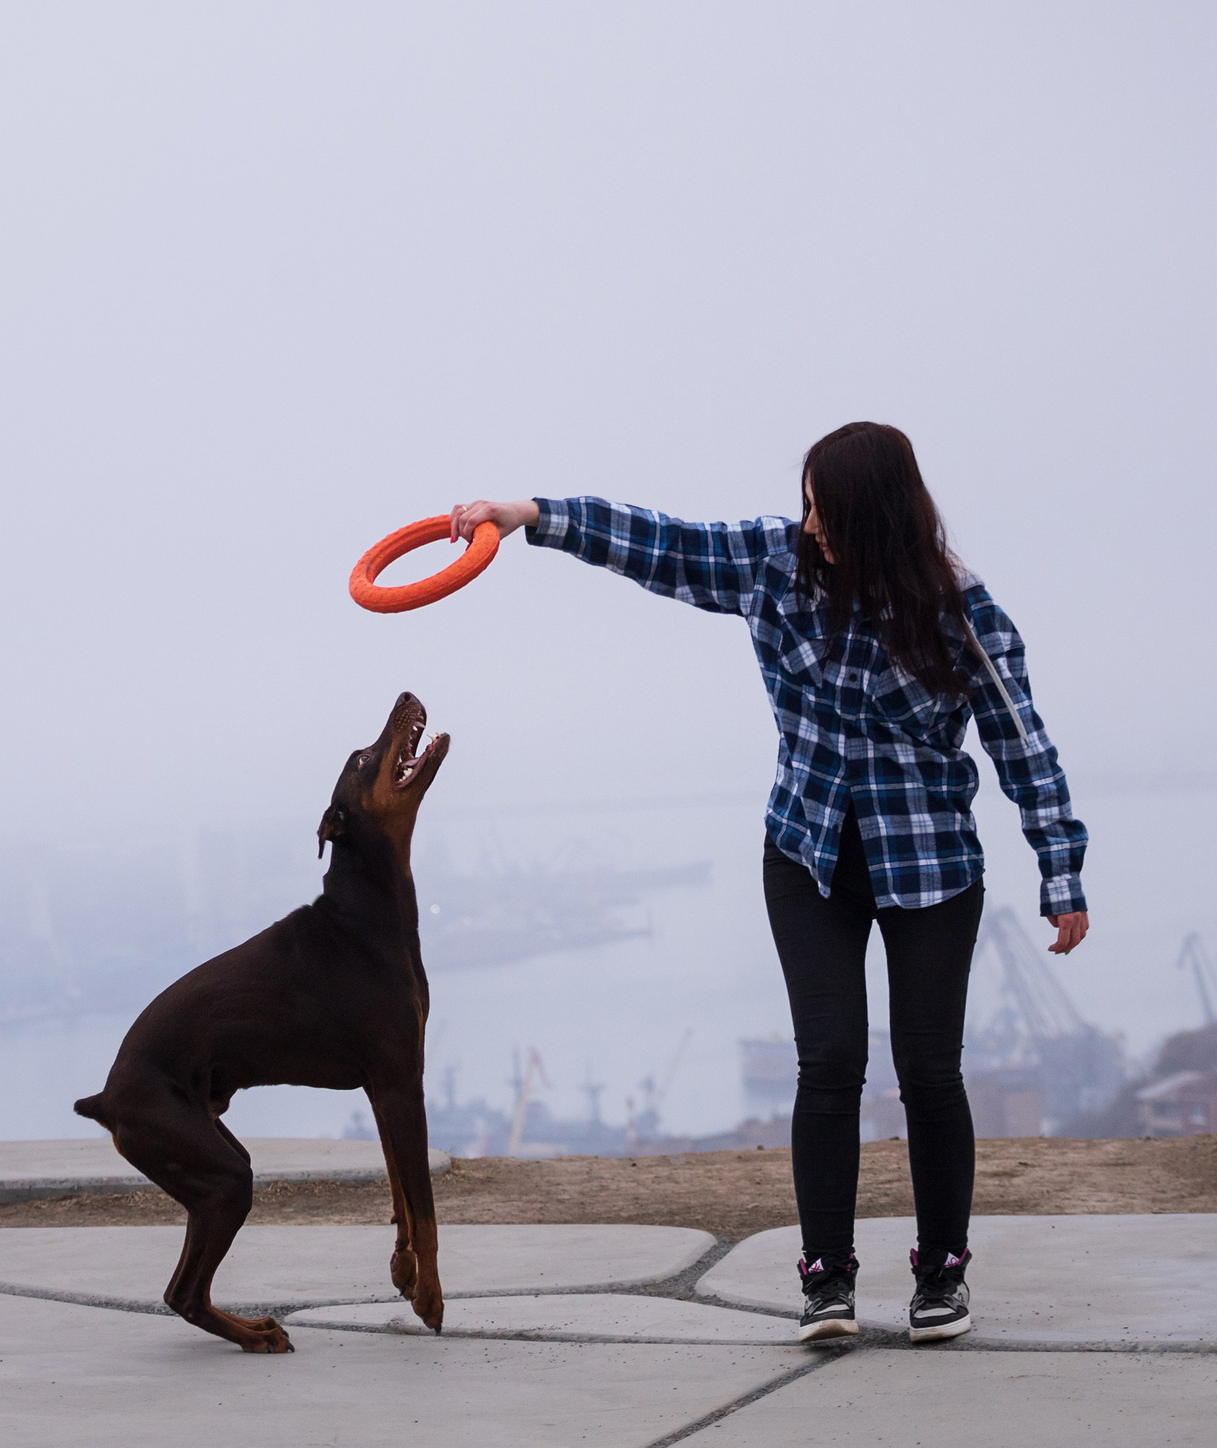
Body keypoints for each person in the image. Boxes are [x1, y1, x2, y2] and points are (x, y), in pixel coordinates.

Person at [451, 422, 1089, 1345]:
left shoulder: (960, 606)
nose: (811, 525)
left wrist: (1059, 868)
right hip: (808, 854)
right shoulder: (771, 564)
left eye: (828, 513)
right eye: (807, 507)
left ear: (875, 517)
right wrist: (532, 516)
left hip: (932, 863)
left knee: (928, 1072)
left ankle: (941, 1275)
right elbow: (661, 543)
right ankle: (826, 1280)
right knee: (828, 1062)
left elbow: (1020, 741)